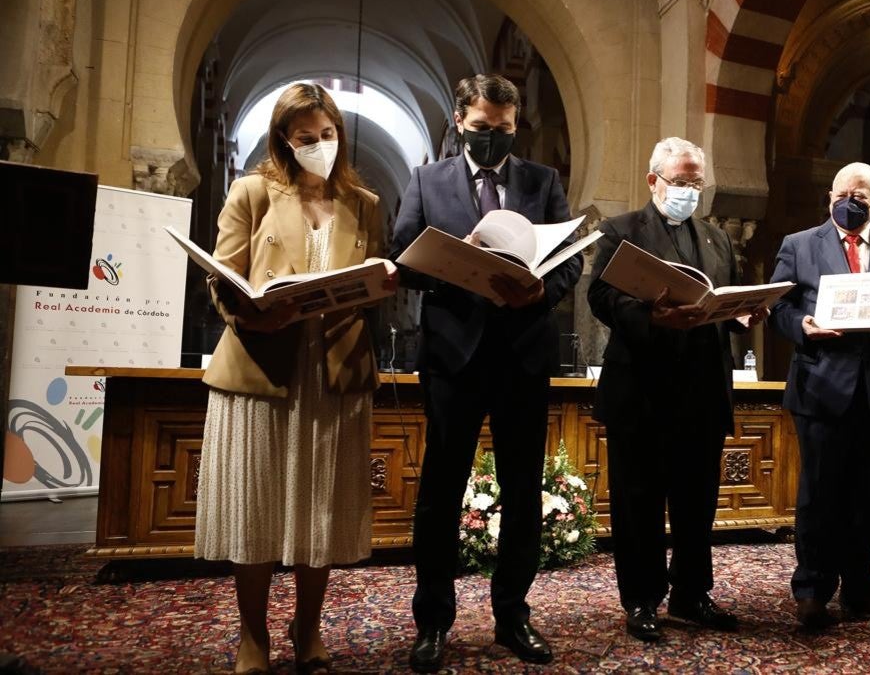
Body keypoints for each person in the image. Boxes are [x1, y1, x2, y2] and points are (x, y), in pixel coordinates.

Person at [195, 82, 398, 674]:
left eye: (329, 135)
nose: (320, 146)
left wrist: (379, 284)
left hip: (333, 371)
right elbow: (221, 278)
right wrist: (257, 309)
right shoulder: (251, 192)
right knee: (256, 506)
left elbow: (370, 276)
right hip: (264, 367)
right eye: (307, 138)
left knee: (322, 508)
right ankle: (251, 635)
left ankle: (307, 627)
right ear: (284, 139)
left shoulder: (365, 202)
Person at [389, 74, 582, 671]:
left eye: (502, 130)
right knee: (441, 493)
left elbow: (570, 264)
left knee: (524, 491)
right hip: (453, 357)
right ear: (458, 121)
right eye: (480, 129)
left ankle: (513, 615)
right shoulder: (427, 180)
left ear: (515, 125)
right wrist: (457, 261)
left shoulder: (543, 181)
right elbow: (403, 255)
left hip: (522, 355)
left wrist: (539, 291)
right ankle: (434, 623)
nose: (491, 139)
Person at [587, 137, 767, 642]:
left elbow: (720, 301)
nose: (689, 191)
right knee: (637, 501)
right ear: (654, 181)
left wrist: (744, 314)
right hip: (641, 391)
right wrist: (651, 315)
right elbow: (601, 297)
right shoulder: (621, 230)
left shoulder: (716, 238)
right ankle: (642, 599)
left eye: (695, 183)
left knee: (697, 501)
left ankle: (692, 593)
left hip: (702, 392)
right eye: (680, 181)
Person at [768, 162, 870, 629]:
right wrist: (802, 325)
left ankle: (861, 589)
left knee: (868, 495)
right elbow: (777, 307)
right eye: (842, 194)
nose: (849, 202)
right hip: (820, 385)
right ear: (829, 197)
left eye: (860, 197)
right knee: (819, 493)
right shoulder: (799, 245)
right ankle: (813, 591)